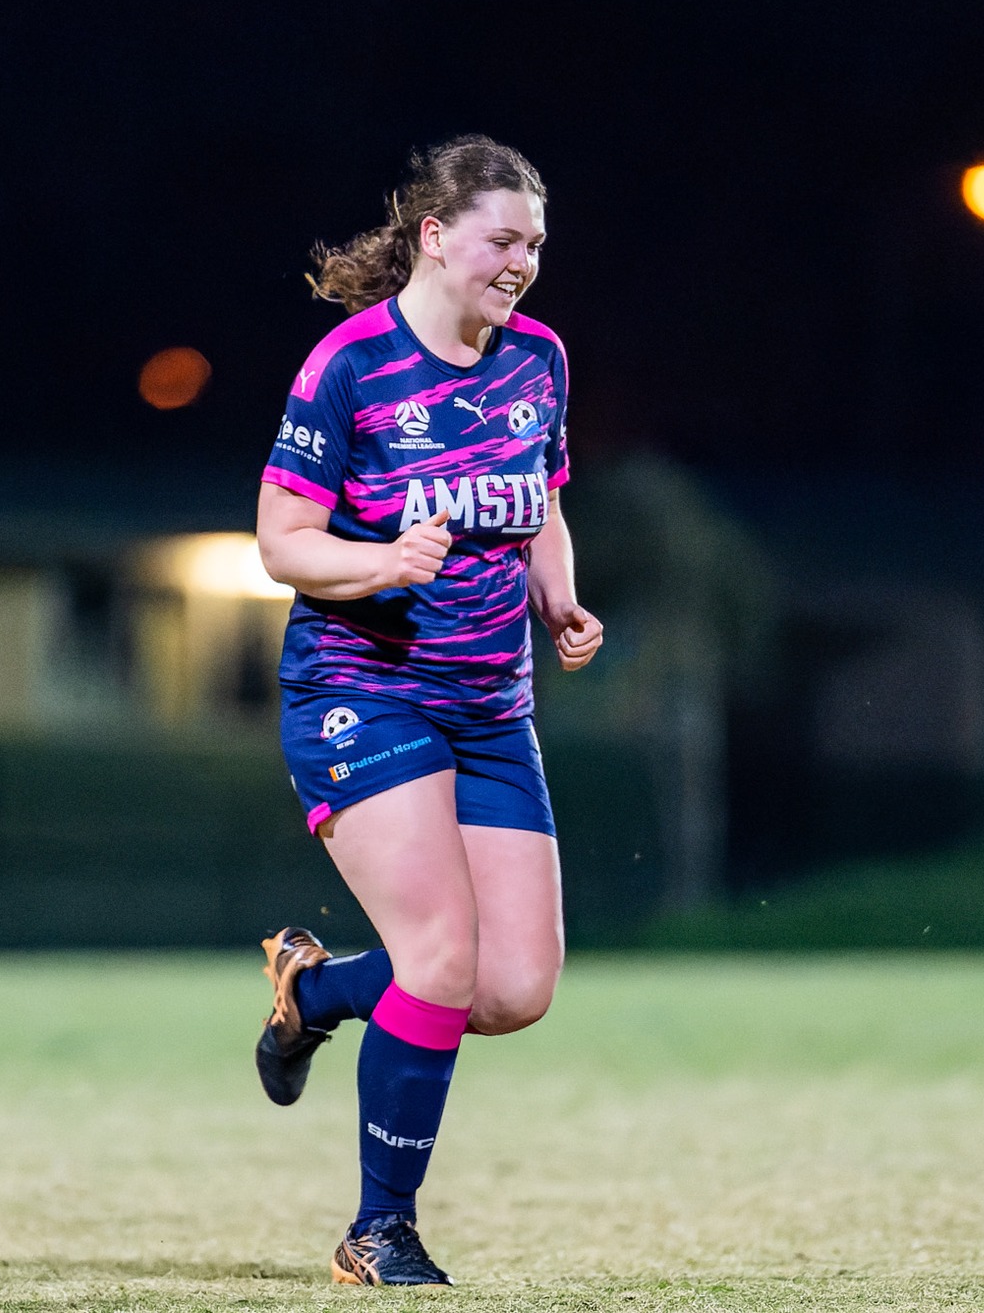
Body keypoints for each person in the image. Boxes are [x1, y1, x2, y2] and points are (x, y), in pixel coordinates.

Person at [253, 135, 603, 1287]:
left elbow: (539, 502)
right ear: (435, 235)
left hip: (490, 708)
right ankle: (378, 1231)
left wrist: (559, 598)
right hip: (360, 691)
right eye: (504, 240)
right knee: (441, 957)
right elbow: (280, 545)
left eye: (535, 245)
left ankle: (313, 992)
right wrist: (378, 562)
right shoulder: (347, 365)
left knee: (509, 992)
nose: (522, 263)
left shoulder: (537, 361)